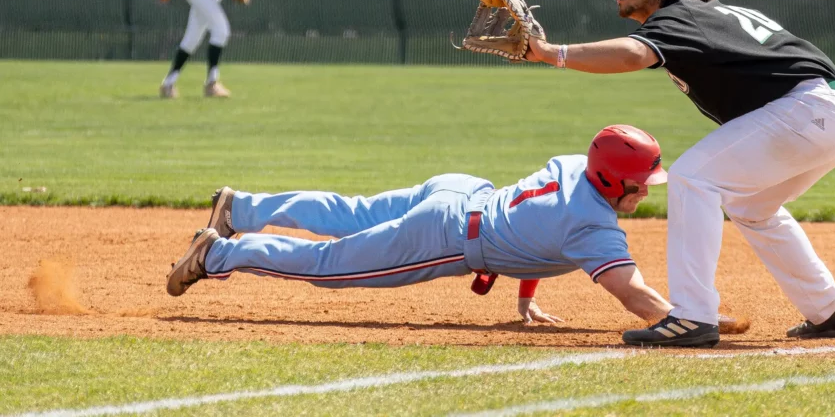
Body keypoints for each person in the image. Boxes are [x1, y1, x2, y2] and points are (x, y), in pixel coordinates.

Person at [525, 0, 835, 348]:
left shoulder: (680, 16)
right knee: (752, 207)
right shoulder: (699, 15)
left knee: (690, 177)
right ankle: (830, 311)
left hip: (808, 109)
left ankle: (692, 317)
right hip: (830, 111)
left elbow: (632, 56)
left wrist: (550, 53)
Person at [166, 125, 720, 343]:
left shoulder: (576, 165)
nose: (646, 190)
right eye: (639, 181)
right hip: (443, 236)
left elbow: (543, 237)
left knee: (348, 210)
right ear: (609, 177)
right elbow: (634, 295)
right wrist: (685, 322)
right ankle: (217, 254)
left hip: (459, 191)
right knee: (330, 264)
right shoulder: (595, 226)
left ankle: (241, 207)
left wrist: (526, 298)